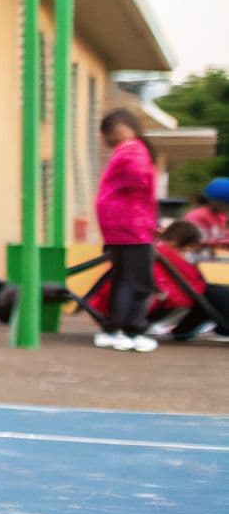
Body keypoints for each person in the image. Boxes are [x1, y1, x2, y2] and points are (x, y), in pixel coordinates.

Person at [93, 108, 159, 352]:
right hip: (134, 225)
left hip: (117, 225)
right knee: (139, 282)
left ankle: (114, 329)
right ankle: (131, 330)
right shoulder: (134, 149)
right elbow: (139, 178)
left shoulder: (122, 151)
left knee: (122, 279)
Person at [139, 220, 229, 342]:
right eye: (188, 250)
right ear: (176, 243)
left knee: (209, 293)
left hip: (159, 302)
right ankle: (185, 330)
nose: (187, 254)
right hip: (159, 303)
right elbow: (189, 285)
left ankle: (184, 330)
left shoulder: (158, 251)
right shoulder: (165, 254)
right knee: (210, 292)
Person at [181, 178, 229, 259]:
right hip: (193, 259)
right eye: (226, 203)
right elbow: (193, 244)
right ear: (214, 201)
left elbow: (222, 236)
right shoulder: (196, 217)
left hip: (211, 258)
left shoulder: (221, 216)